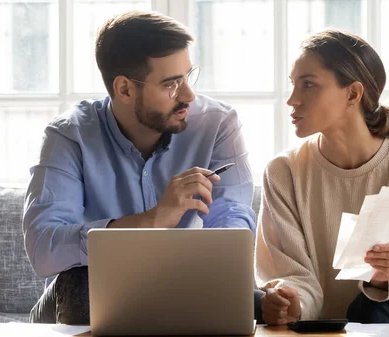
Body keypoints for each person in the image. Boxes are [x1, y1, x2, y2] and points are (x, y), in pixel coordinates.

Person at [23, 11, 260, 324]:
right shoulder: (70, 135)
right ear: (124, 89)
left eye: (188, 76)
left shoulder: (217, 126)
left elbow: (232, 224)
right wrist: (152, 221)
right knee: (82, 279)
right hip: (83, 296)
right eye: (171, 84)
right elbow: (44, 248)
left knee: (244, 294)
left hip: (180, 285)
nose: (189, 95)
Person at [255, 29, 389, 325]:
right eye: (293, 85)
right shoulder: (283, 172)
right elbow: (290, 273)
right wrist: (289, 303)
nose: (291, 100)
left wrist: (383, 278)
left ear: (352, 93)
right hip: (323, 324)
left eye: (308, 84)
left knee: (371, 311)